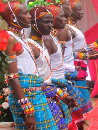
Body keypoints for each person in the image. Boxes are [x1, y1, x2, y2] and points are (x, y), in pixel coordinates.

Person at [0, 1, 57, 129]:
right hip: (28, 99)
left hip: (36, 96)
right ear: (13, 18)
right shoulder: (9, 39)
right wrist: (27, 109)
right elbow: (13, 77)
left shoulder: (20, 38)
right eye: (26, 13)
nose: (30, 16)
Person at [27, 6, 73, 129]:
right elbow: (34, 81)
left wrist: (60, 94)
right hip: (39, 99)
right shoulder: (30, 46)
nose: (50, 25)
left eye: (51, 22)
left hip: (51, 95)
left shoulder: (44, 42)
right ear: (34, 22)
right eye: (46, 22)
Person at [68, 0, 98, 114]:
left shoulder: (74, 26)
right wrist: (94, 46)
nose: (83, 12)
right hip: (74, 70)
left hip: (81, 69)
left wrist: (91, 51)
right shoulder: (68, 29)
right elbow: (69, 54)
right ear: (70, 11)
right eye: (79, 9)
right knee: (77, 110)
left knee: (80, 110)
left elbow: (80, 48)